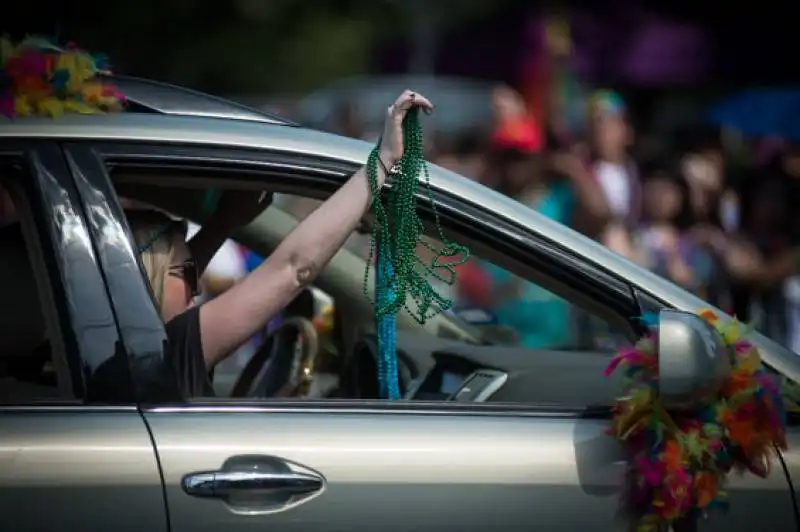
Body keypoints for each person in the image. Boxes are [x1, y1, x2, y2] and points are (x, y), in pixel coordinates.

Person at [126, 90, 433, 397]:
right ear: (150, 282)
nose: (196, 285)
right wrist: (382, 162)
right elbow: (293, 268)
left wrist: (224, 222)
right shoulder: (166, 353)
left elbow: (181, 268)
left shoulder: (134, 349)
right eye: (185, 270)